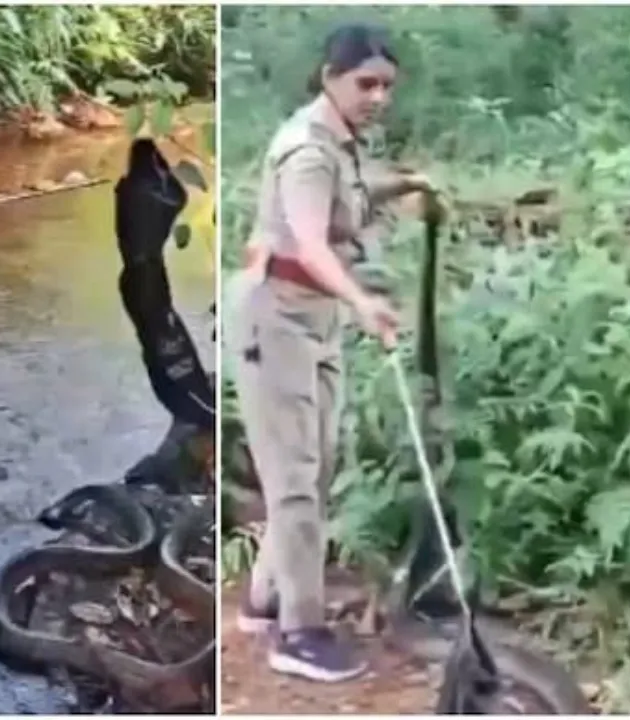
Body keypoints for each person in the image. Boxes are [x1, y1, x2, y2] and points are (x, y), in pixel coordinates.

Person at [229, 23, 432, 683]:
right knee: (293, 482)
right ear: (329, 78)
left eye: (385, 87)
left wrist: (406, 186)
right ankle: (299, 632)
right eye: (364, 84)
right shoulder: (306, 151)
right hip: (275, 317)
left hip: (314, 319)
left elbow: (351, 197)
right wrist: (364, 302)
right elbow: (313, 243)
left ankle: (263, 600)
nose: (377, 97)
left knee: (312, 471)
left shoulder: (338, 144)